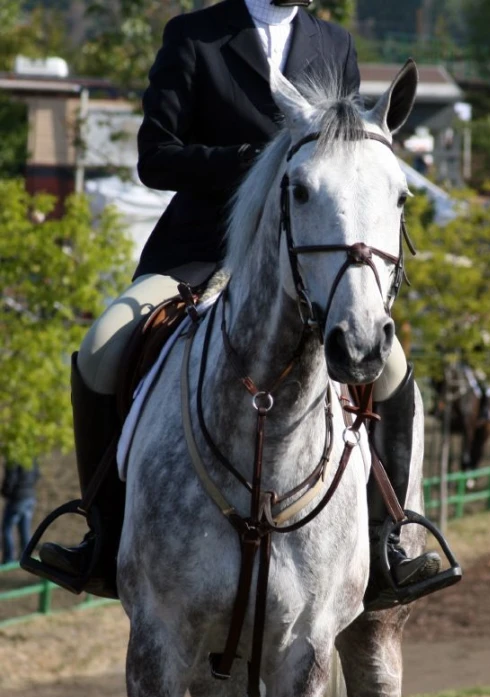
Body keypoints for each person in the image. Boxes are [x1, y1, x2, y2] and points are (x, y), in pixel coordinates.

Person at [35, 0, 445, 607]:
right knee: (101, 348)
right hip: (201, 249)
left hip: (306, 259)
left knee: (393, 371)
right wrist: (256, 166)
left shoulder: (334, 44)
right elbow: (156, 155)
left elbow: (350, 161)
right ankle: (105, 535)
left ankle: (390, 541)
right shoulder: (195, 37)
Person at [2, 460, 40, 564]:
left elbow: (10, 480)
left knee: (7, 528)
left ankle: (9, 558)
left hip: (17, 498)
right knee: (25, 528)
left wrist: (5, 492)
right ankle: (26, 555)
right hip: (30, 496)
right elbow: (37, 474)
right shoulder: (30, 456)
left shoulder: (14, 458)